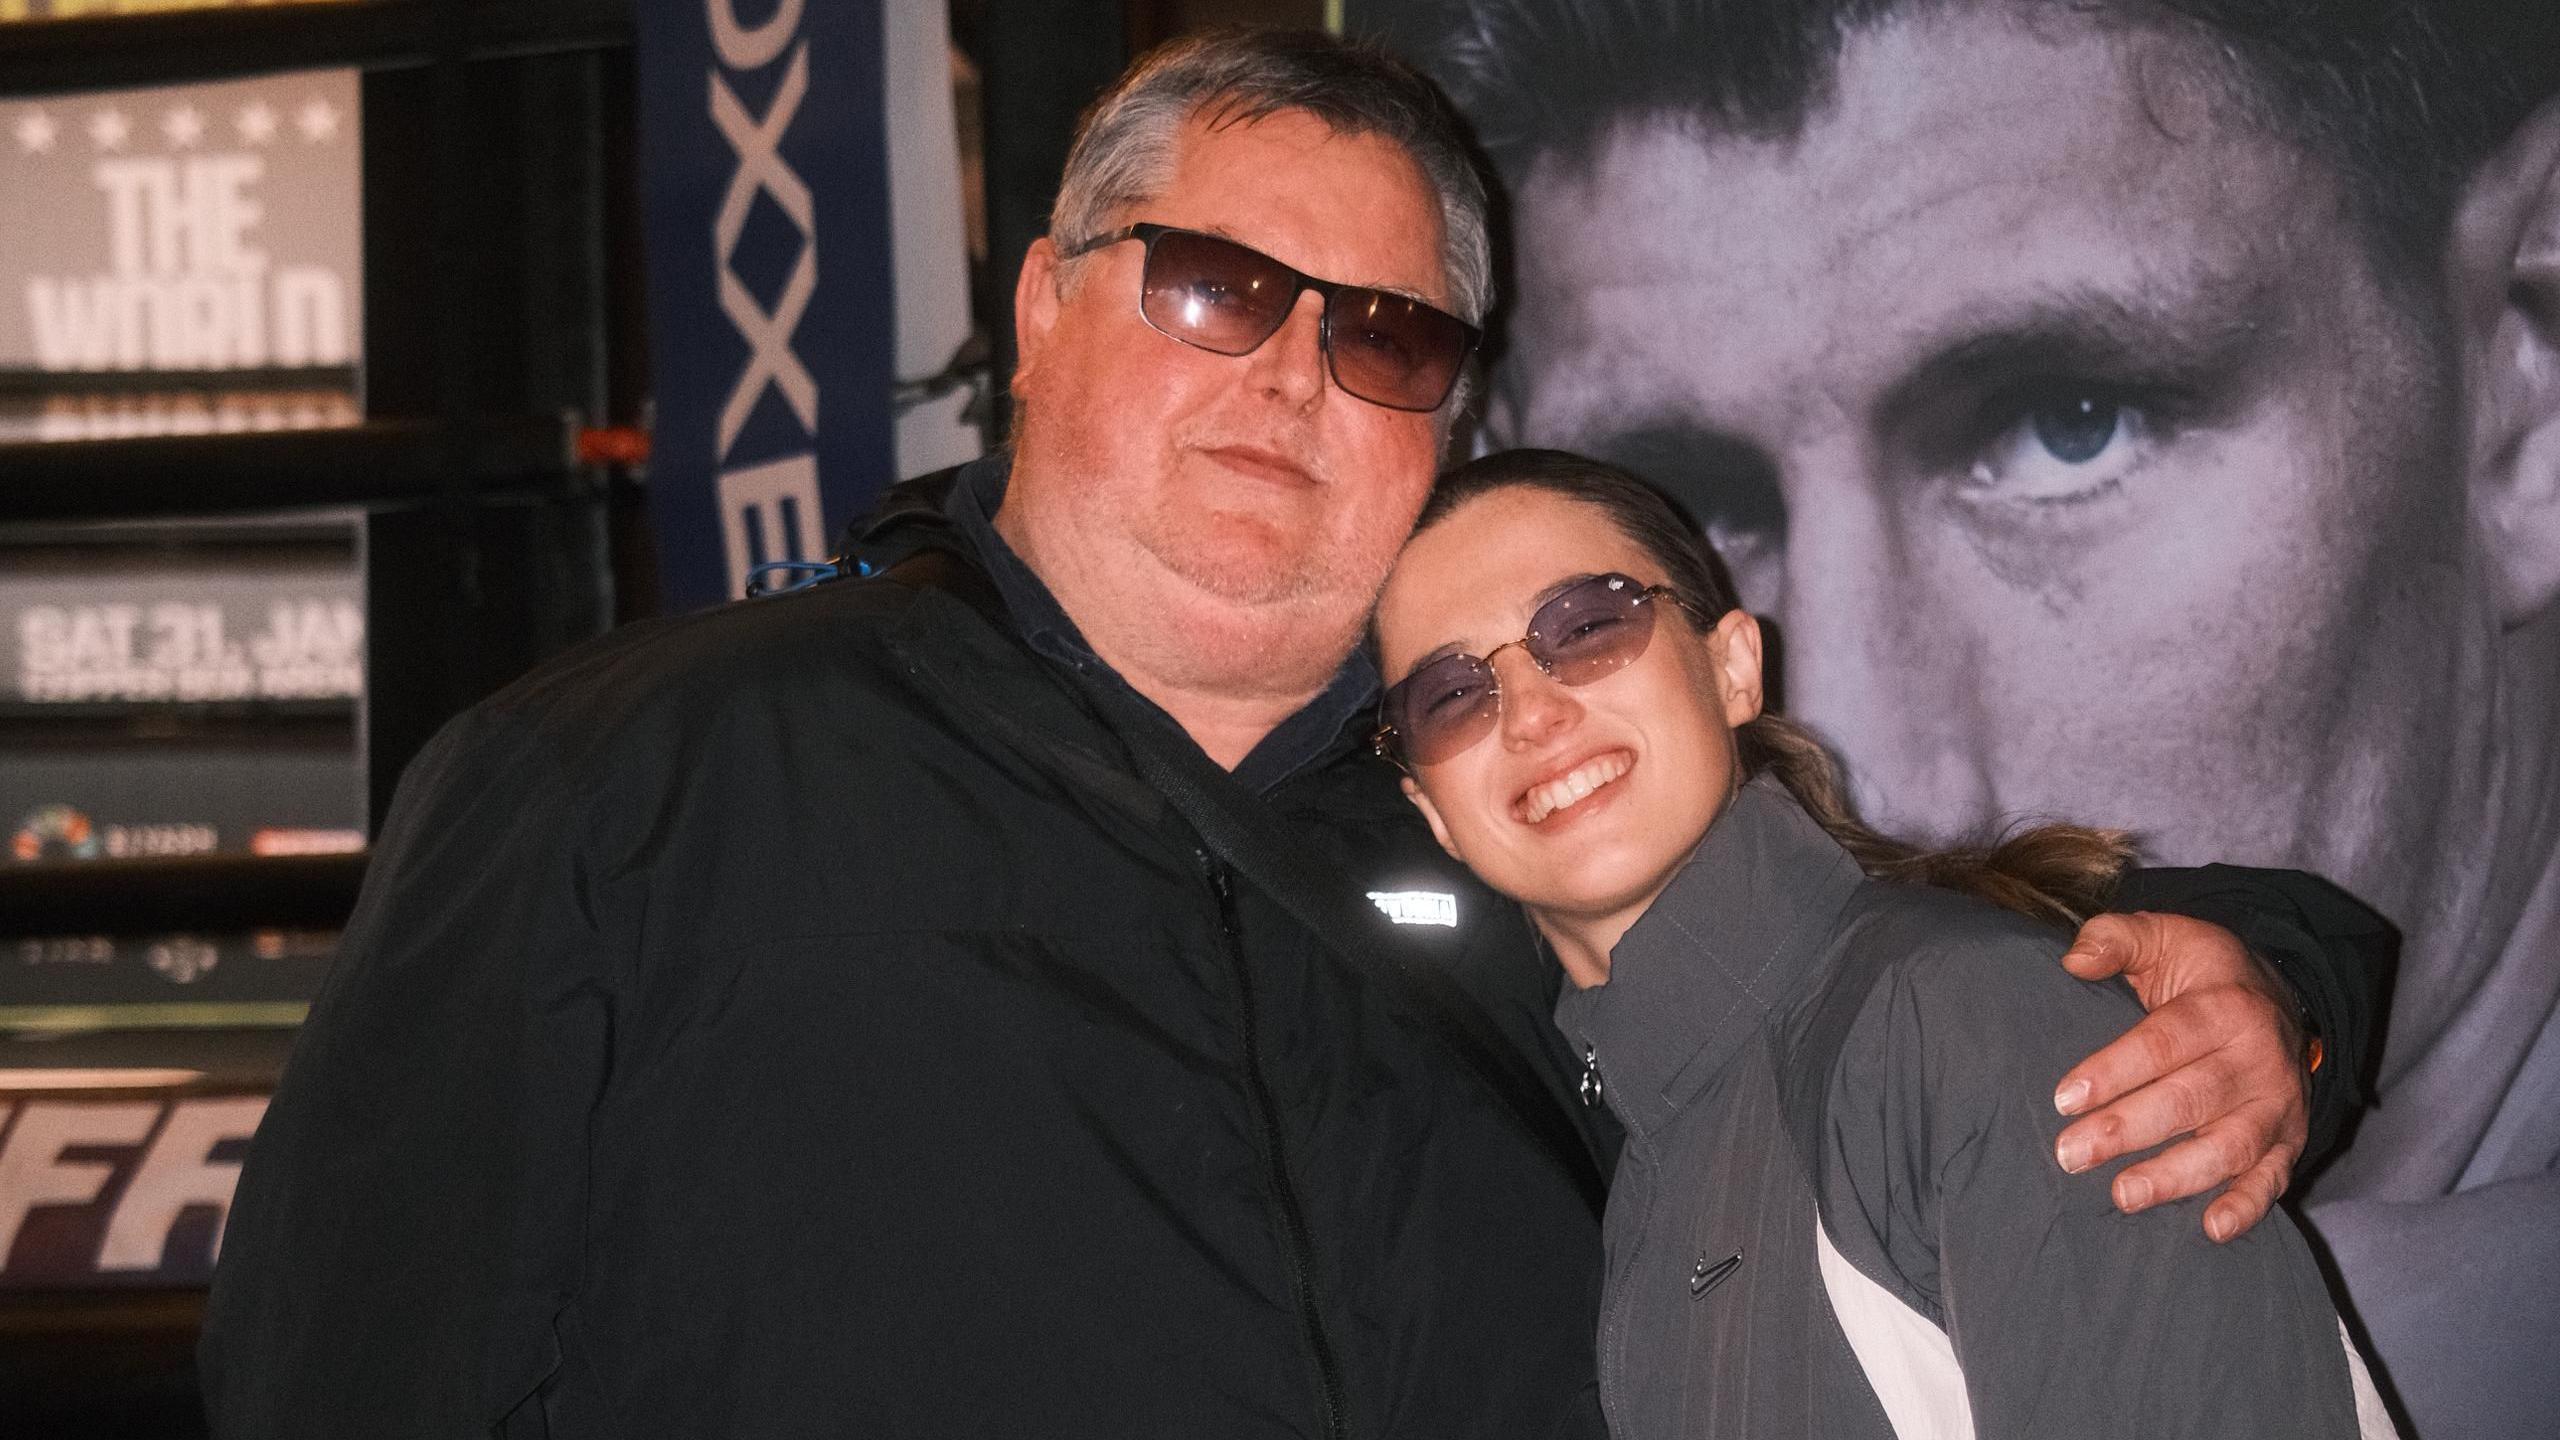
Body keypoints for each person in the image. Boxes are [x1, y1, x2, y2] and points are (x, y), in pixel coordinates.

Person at [203, 29, 2366, 1438]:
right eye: (1215, 286)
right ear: (1043, 311)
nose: (1294, 376)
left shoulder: (1527, 823)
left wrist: (2265, 976)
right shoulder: (625, 791)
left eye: (1386, 334)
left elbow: (1897, 956)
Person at [1364, 1, 2560, 1431]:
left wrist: (2235, 986)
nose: (1870, 718)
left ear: (2530, 379)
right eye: (1451, 693)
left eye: (2067, 421)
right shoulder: (1654, 1120)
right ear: (1420, 792)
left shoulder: (1976, 1035)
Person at [1370, 447, 2399, 1439]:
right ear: (1433, 811)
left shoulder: (1953, 1018)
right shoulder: (1652, 1146)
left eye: (1586, 624)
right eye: (1451, 695)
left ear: (1731, 668)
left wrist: (2287, 987)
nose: (1534, 712)